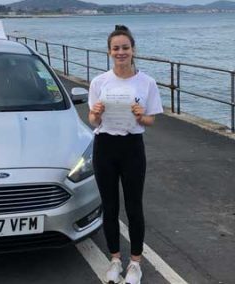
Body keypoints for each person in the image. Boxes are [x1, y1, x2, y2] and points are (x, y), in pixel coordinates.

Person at [88, 25, 163, 284]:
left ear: (133, 50)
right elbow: (92, 121)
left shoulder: (147, 82)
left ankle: (135, 263)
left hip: (132, 147)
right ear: (109, 52)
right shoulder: (99, 82)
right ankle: (115, 259)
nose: (121, 52)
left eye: (125, 48)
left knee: (134, 207)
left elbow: (151, 119)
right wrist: (96, 113)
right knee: (109, 206)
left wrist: (141, 115)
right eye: (116, 48)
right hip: (105, 147)